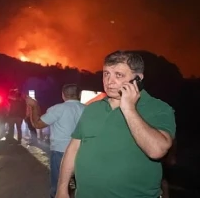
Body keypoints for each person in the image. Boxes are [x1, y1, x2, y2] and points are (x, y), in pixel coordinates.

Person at [56, 50, 176, 198]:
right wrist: (62, 189)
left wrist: (129, 108)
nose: (109, 81)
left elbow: (157, 150)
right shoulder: (93, 108)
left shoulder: (158, 109)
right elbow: (73, 149)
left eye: (118, 75)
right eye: (106, 74)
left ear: (137, 79)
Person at [26, 84, 85, 198]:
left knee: (59, 184)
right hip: (82, 150)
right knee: (81, 183)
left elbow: (37, 124)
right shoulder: (87, 109)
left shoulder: (57, 109)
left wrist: (34, 106)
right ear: (79, 95)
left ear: (63, 95)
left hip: (60, 150)